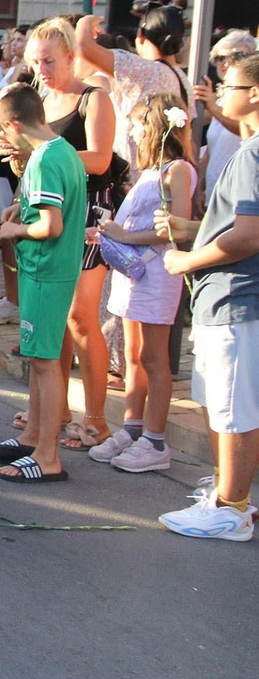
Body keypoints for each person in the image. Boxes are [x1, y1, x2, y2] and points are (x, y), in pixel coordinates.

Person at [151, 52, 259, 540]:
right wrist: (192, 228)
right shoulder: (249, 149)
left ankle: (233, 508)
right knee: (221, 404)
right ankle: (225, 494)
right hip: (230, 299)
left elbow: (248, 237)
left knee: (235, 409)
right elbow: (234, 226)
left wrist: (185, 259)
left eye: (228, 86)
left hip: (238, 296)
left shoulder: (254, 153)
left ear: (253, 93)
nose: (219, 94)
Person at [0, 18, 118, 450]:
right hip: (45, 208)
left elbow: (101, 160)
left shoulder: (94, 98)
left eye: (48, 59)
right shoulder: (40, 99)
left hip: (87, 214)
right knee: (52, 324)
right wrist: (21, 163)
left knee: (81, 318)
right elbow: (35, 164)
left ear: (70, 55)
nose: (41, 68)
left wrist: (37, 150)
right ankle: (54, 411)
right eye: (35, 60)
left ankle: (98, 418)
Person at [0, 85, 87, 483]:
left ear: (13, 124)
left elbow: (49, 225)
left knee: (45, 364)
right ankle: (34, 437)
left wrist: (13, 228)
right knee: (43, 361)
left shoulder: (44, 159)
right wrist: (21, 208)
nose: (5, 140)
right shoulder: (60, 150)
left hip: (47, 269)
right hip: (52, 268)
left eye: (3, 131)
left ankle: (47, 456)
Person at [86, 93, 195, 474]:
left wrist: (125, 236)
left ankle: (155, 437)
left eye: (135, 123)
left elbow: (176, 227)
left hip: (157, 275)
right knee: (132, 355)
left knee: (154, 356)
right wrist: (107, 234)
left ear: (154, 126)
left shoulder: (177, 170)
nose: (131, 131)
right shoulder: (148, 172)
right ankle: (133, 426)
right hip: (133, 274)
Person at [75, 9, 190, 173]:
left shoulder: (142, 69)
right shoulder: (182, 78)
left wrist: (85, 22)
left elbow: (84, 48)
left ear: (141, 35)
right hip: (165, 172)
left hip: (135, 173)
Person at [193, 30, 257, 197]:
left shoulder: (245, 102)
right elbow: (212, 146)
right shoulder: (222, 101)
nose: (226, 63)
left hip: (241, 192)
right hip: (216, 191)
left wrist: (213, 107)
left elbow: (250, 133)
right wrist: (201, 183)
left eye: (236, 57)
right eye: (220, 58)